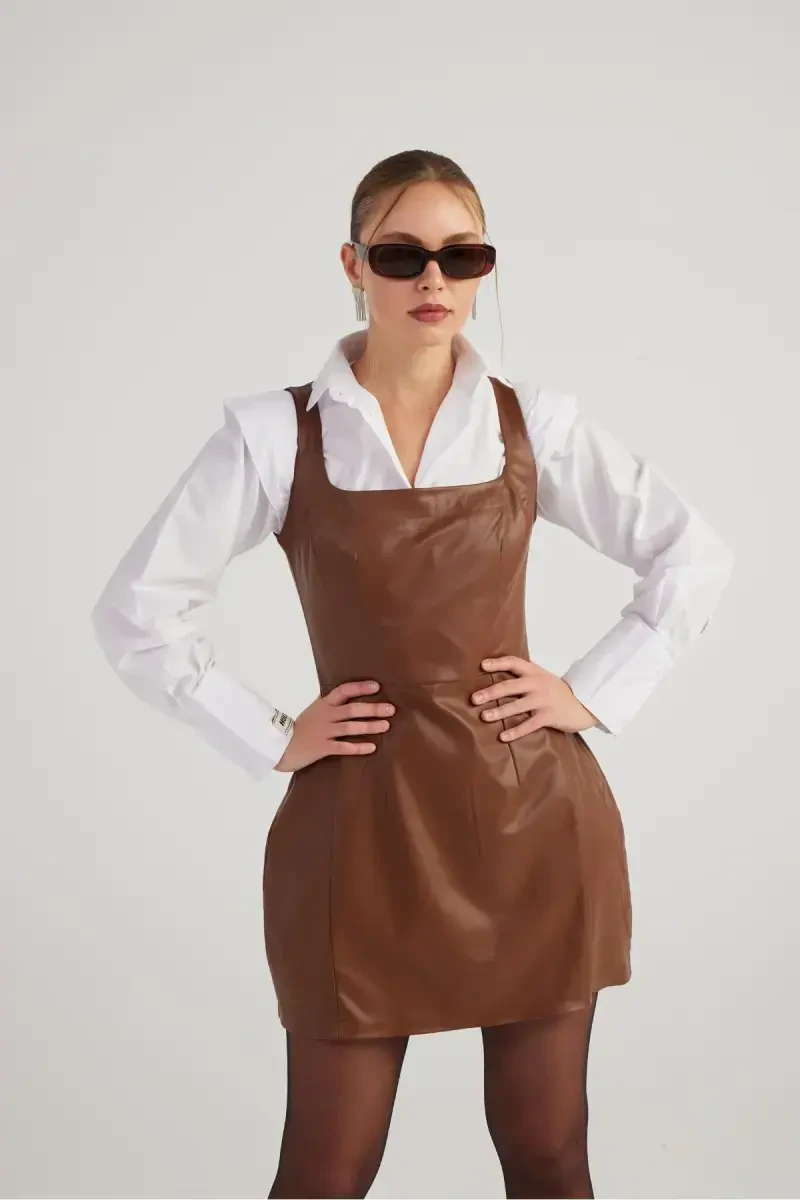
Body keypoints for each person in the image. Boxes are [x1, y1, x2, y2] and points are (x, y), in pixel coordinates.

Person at [91, 149, 734, 1199]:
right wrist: (269, 733)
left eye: (460, 255)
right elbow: (138, 610)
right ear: (354, 265)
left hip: (531, 824)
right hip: (359, 832)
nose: (433, 279)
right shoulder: (274, 434)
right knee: (325, 1170)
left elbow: (692, 555)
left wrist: (590, 691)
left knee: (547, 1152)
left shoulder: (535, 423)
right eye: (401, 255)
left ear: (484, 268)